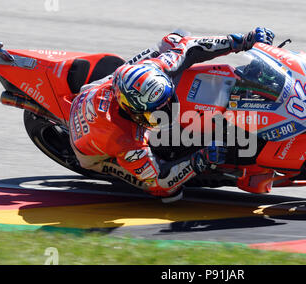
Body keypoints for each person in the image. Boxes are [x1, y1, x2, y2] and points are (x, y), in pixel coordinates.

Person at [69, 27, 275, 203]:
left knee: (175, 38)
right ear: (132, 111)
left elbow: (189, 47)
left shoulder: (152, 68)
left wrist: (240, 41)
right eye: (157, 111)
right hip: (91, 153)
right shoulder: (124, 139)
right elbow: (160, 183)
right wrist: (199, 160)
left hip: (97, 89)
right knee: (171, 195)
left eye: (166, 102)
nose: (167, 111)